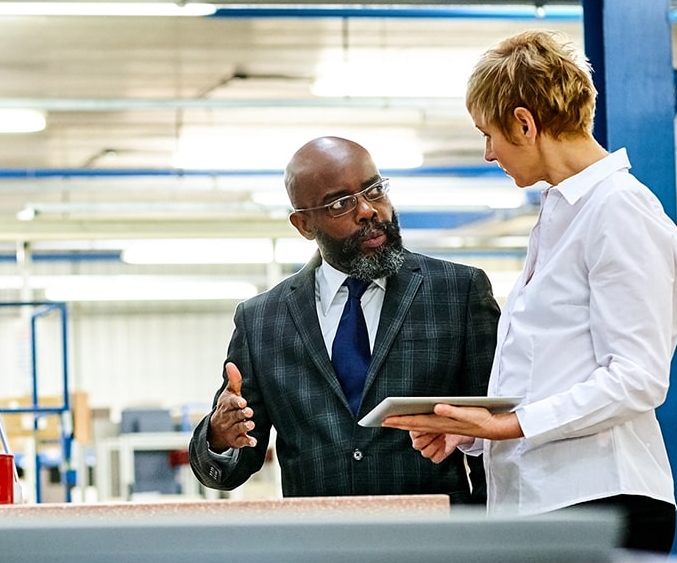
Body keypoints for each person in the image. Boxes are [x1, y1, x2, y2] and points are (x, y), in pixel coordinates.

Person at [382, 30, 677, 553]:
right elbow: (550, 367)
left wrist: (512, 425)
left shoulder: (620, 210)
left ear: (525, 122)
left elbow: (638, 378)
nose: (486, 152)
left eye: (489, 134)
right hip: (546, 503)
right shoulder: (559, 214)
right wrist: (472, 431)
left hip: (602, 500)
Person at [187, 136, 501, 501]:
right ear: (304, 224)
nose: (368, 210)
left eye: (375, 190)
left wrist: (486, 537)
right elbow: (226, 471)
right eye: (340, 203)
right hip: (318, 547)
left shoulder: (457, 292)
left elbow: (493, 439)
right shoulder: (261, 321)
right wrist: (217, 435)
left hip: (434, 543)